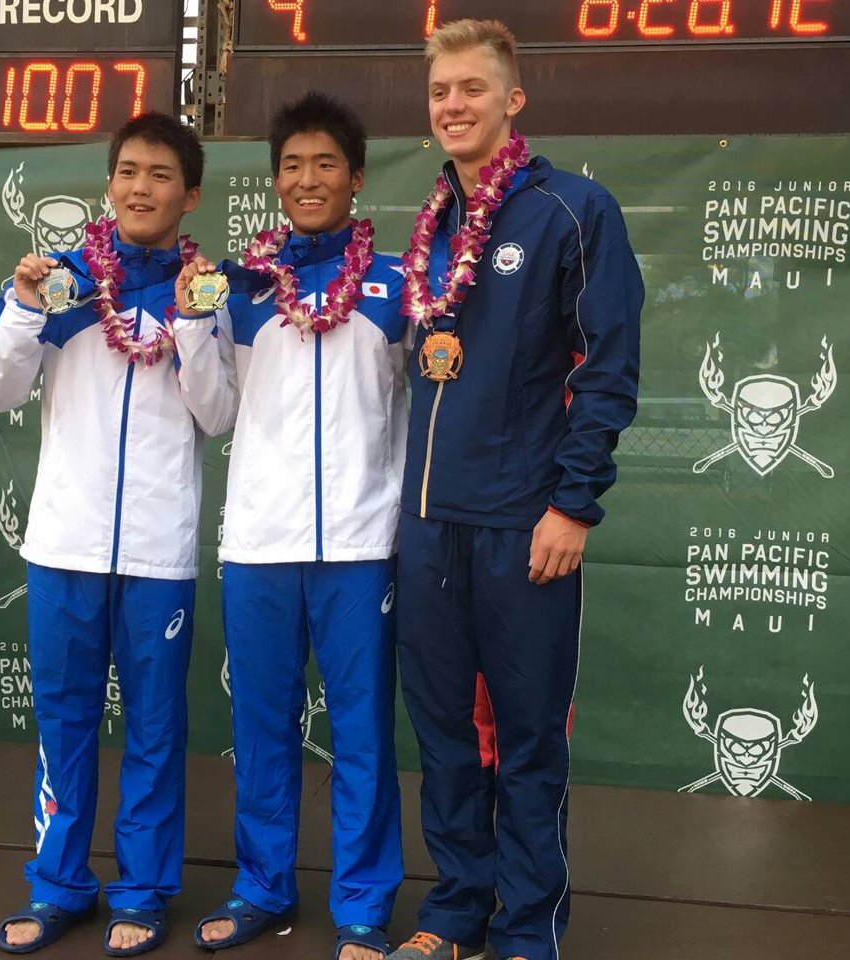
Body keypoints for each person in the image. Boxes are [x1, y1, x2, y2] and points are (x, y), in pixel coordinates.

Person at [386, 19, 643, 960]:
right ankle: (457, 911)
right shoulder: (430, 229)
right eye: (440, 91)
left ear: (512, 99)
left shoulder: (572, 210)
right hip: (429, 527)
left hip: (524, 524)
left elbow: (608, 370)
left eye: (472, 88)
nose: (453, 105)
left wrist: (572, 505)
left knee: (530, 741)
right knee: (446, 737)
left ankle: (528, 929)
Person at [0, 112, 235, 956]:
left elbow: (218, 414)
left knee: (156, 730)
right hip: (65, 546)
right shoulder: (62, 281)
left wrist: (192, 324)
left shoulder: (206, 291)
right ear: (109, 183)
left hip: (159, 552)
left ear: (190, 195)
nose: (140, 187)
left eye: (160, 175)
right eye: (128, 171)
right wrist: (22, 307)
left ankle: (143, 891)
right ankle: (57, 886)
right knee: (64, 722)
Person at [185, 92, 407, 960]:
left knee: (363, 734)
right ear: (275, 181)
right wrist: (193, 328)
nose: (307, 179)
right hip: (260, 544)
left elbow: (421, 408)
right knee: (262, 729)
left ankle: (363, 905)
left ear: (356, 177)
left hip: (361, 546)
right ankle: (262, 887)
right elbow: (213, 415)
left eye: (325, 163)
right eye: (291, 165)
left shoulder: (398, 286)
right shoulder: (240, 289)